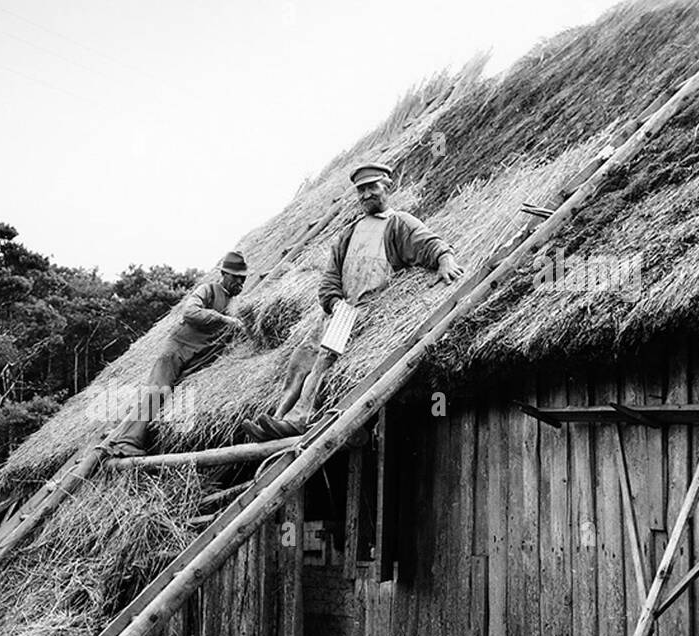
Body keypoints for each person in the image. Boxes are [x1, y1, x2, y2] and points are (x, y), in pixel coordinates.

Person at [245, 163, 464, 440]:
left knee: (326, 354)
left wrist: (445, 259)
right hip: (339, 309)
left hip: (365, 310)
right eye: (361, 190)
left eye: (372, 187)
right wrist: (333, 302)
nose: (366, 195)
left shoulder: (399, 223)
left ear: (387, 187)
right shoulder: (348, 233)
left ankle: (299, 418)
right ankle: (276, 419)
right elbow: (330, 278)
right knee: (302, 356)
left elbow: (429, 242)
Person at [105, 251, 250, 457]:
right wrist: (223, 319)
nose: (240, 283)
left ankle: (128, 434)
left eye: (243, 279)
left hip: (197, 356)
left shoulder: (232, 303)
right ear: (224, 274)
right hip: (177, 349)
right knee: (158, 390)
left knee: (171, 395)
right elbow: (190, 312)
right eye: (236, 277)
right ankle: (126, 441)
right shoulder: (207, 290)